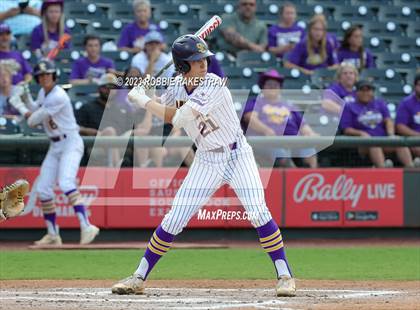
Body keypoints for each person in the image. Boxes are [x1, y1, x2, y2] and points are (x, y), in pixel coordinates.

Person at [111, 34, 296, 297]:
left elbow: (177, 118)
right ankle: (138, 277)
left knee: (257, 211)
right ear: (183, 66)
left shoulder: (214, 85)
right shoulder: (176, 85)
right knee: (174, 218)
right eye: (196, 61)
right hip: (206, 159)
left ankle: (285, 276)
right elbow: (164, 108)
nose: (203, 64)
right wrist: (145, 91)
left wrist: (142, 100)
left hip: (236, 155)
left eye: (204, 59)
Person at [9, 59, 100, 245]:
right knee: (43, 189)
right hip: (55, 145)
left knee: (66, 183)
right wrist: (26, 97)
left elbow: (34, 120)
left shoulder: (58, 96)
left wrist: (18, 105)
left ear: (54, 75)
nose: (44, 78)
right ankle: (53, 234)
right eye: (41, 75)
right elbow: (37, 108)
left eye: (47, 74)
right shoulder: (44, 92)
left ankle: (87, 226)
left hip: (70, 143)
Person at [243, 69, 318, 168]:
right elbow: (251, 119)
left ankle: (311, 177)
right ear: (263, 87)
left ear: (280, 88)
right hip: (267, 142)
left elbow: (303, 126)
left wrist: (310, 134)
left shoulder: (289, 105)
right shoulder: (256, 102)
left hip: (293, 141)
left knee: (309, 151)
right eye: (269, 85)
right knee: (281, 154)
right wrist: (267, 130)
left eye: (276, 85)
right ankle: (294, 178)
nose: (272, 87)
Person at [340, 80, 413, 168]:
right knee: (373, 143)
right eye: (362, 90)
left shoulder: (380, 103)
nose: (365, 93)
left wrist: (391, 134)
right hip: (361, 143)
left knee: (398, 141)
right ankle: (383, 170)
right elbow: (346, 129)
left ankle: (411, 169)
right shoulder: (349, 106)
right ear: (356, 92)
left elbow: (388, 120)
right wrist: (361, 133)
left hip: (382, 139)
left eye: (368, 90)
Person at [76, 73, 143, 167]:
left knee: (139, 133)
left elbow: (132, 127)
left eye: (113, 88)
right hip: (96, 144)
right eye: (106, 87)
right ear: (99, 88)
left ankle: (143, 170)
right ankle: (116, 166)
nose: (110, 91)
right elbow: (76, 128)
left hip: (120, 142)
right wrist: (94, 132)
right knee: (110, 132)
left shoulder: (122, 108)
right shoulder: (87, 107)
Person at [395, 73, 420, 165]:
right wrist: (417, 135)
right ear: (415, 86)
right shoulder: (406, 103)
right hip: (413, 140)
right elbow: (400, 127)